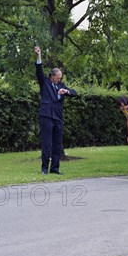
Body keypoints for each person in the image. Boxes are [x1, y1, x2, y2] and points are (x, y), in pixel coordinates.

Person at [34, 46, 77, 175]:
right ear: (52, 76)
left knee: (57, 144)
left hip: (58, 118)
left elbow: (74, 93)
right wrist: (39, 55)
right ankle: (44, 168)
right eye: (58, 77)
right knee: (47, 144)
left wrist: (66, 91)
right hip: (46, 117)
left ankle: (55, 168)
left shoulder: (61, 85)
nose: (59, 79)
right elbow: (39, 69)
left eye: (60, 78)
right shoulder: (45, 83)